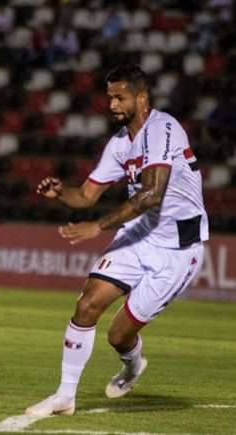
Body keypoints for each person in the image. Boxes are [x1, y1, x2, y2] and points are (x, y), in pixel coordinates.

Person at [26, 63, 208, 416]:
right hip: (139, 235)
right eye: (109, 97)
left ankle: (131, 365)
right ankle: (65, 396)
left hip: (177, 249)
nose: (112, 105)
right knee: (87, 304)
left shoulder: (163, 128)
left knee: (118, 336)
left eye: (119, 97)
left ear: (142, 97)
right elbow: (87, 196)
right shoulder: (120, 143)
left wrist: (98, 227)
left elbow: (152, 193)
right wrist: (62, 192)